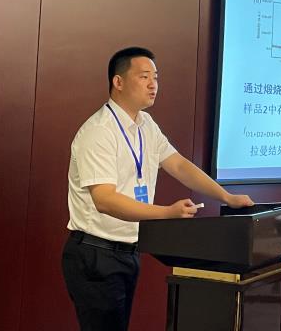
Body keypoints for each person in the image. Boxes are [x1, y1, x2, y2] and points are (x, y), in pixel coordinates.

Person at [61, 46, 253, 331]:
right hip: (96, 253)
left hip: (129, 251)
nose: (153, 85)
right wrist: (166, 213)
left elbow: (179, 165)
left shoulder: (145, 124)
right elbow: (104, 200)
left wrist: (226, 196)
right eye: (144, 77)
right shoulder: (99, 131)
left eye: (156, 77)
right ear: (118, 81)